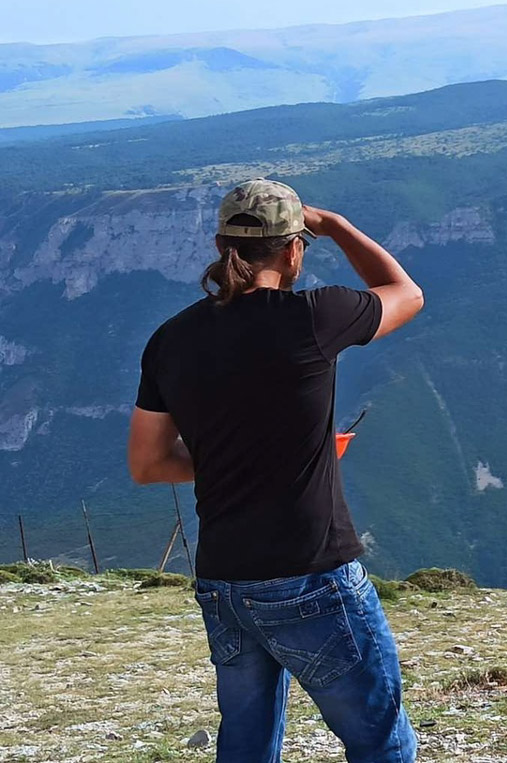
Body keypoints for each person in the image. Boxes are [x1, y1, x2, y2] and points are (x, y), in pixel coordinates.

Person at [126, 178, 424, 763]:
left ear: (220, 246)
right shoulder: (314, 316)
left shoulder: (170, 340)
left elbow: (149, 463)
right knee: (380, 743)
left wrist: (247, 460)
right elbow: (405, 293)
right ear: (293, 249)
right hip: (309, 573)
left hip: (224, 581)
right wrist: (335, 225)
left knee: (246, 744)